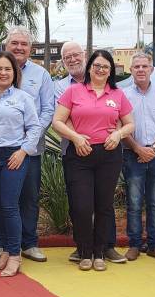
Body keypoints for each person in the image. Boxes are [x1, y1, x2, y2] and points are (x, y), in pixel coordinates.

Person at [0, 27, 54, 264]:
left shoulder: (41, 74)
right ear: (5, 46)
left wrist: (28, 141)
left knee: (28, 197)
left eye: (24, 44)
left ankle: (28, 243)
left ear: (30, 48)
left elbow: (48, 109)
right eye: (14, 43)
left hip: (29, 148)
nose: (19, 47)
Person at [53, 50, 135, 271]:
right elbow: (57, 121)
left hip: (109, 155)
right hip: (79, 154)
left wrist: (118, 134)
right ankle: (84, 251)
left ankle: (99, 252)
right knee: (81, 206)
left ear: (111, 71)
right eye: (97, 65)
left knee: (104, 205)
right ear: (89, 67)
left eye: (105, 67)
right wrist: (75, 137)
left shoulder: (117, 94)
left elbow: (130, 123)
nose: (100, 69)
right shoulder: (73, 91)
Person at [121, 52, 155, 262]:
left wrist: (154, 148)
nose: (141, 70)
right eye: (137, 67)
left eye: (145, 66)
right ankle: (134, 244)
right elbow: (120, 125)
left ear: (152, 69)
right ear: (131, 70)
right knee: (134, 203)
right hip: (132, 155)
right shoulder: (123, 95)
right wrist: (137, 149)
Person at [53, 41, 89, 263]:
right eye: (68, 57)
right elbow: (61, 117)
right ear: (63, 62)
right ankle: (82, 246)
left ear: (85, 54)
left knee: (103, 202)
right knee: (78, 202)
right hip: (72, 149)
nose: (73, 59)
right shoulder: (59, 87)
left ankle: (106, 245)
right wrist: (79, 138)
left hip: (103, 149)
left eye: (76, 55)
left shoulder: (100, 79)